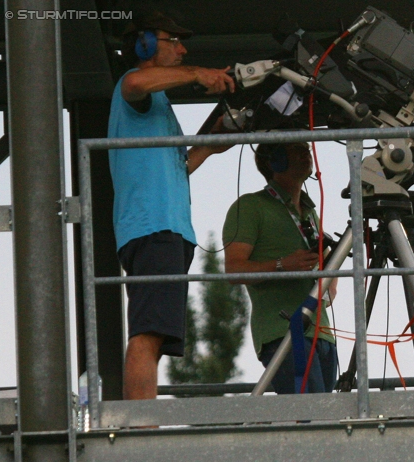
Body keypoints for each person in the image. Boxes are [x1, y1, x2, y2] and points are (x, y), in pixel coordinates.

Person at [108, 12, 235, 400]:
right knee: (147, 335)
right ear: (145, 44)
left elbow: (177, 168)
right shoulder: (135, 87)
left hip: (165, 231)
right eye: (173, 41)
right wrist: (199, 74)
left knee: (155, 335)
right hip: (154, 229)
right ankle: (140, 433)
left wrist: (210, 145)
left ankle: (141, 426)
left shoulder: (158, 103)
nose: (182, 50)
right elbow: (133, 81)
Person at [222, 142, 338, 394]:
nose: (306, 151)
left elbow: (326, 261)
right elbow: (233, 270)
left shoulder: (309, 213)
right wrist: (282, 265)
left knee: (328, 421)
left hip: (324, 334)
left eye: (306, 146)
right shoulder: (250, 206)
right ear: (275, 160)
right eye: (296, 148)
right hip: (283, 331)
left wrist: (331, 281)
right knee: (313, 421)